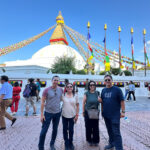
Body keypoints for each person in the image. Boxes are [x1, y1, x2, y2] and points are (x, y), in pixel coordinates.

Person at [38, 76, 63, 150]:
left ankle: (52, 144)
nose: (56, 81)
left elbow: (61, 99)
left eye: (57, 80)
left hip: (57, 113)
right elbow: (42, 102)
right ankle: (41, 147)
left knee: (55, 129)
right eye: (55, 80)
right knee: (44, 130)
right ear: (52, 81)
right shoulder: (46, 90)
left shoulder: (61, 89)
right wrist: (42, 114)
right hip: (48, 113)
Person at [101, 75, 125, 150]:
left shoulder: (117, 90)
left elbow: (122, 101)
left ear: (112, 80)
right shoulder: (103, 90)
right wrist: (102, 112)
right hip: (106, 114)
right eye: (106, 80)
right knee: (109, 131)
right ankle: (111, 144)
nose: (107, 81)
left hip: (115, 115)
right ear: (104, 81)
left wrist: (123, 112)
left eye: (109, 79)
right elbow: (102, 102)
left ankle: (119, 148)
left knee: (116, 132)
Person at [82, 80, 101, 147]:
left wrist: (99, 99)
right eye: (91, 85)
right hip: (87, 112)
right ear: (89, 86)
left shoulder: (97, 93)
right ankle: (89, 140)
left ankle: (96, 140)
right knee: (88, 127)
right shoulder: (86, 93)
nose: (92, 86)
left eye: (93, 85)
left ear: (95, 86)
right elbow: (83, 103)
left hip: (95, 111)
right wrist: (83, 112)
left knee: (95, 127)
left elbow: (101, 101)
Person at [62, 83, 79, 150]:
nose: (69, 88)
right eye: (68, 87)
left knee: (71, 130)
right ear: (66, 88)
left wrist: (77, 115)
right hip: (64, 115)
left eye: (71, 87)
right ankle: (66, 143)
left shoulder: (75, 96)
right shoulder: (63, 95)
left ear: (73, 88)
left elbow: (77, 106)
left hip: (72, 115)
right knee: (65, 130)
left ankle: (70, 142)